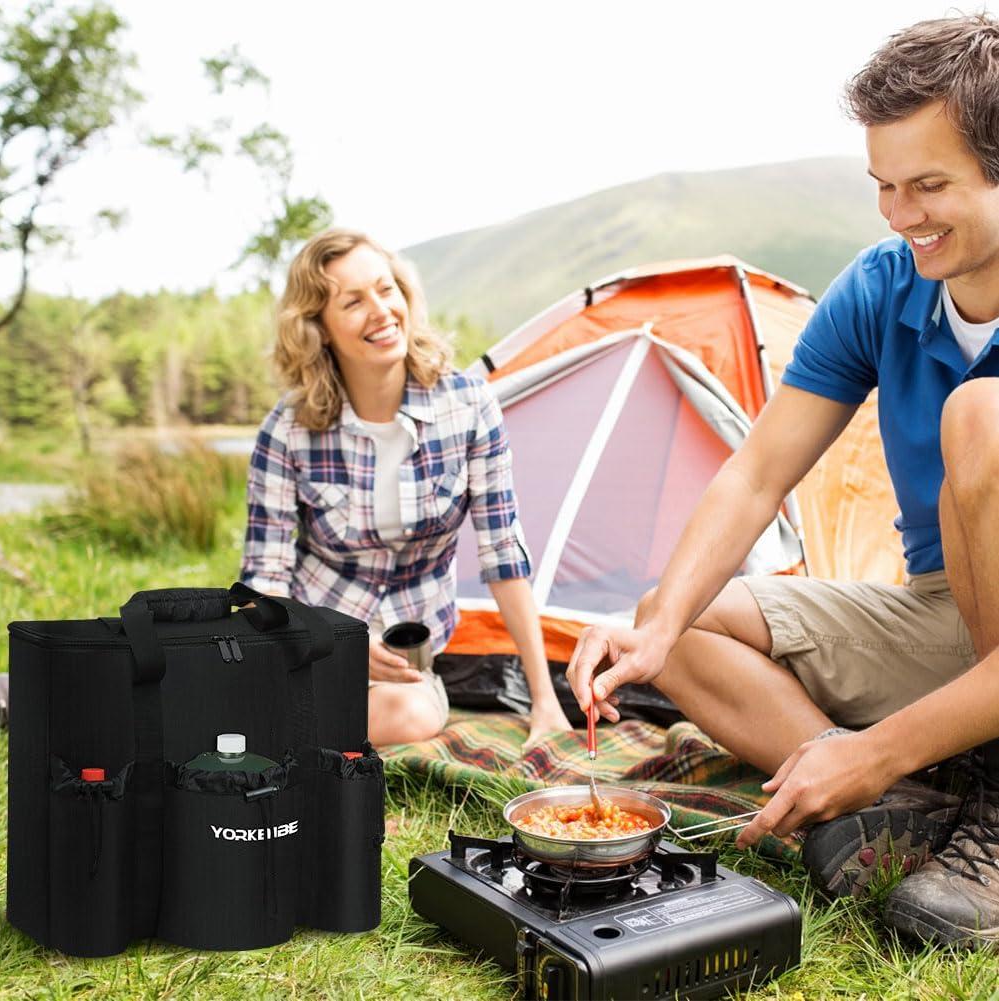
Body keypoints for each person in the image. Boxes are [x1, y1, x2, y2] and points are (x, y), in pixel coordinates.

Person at [566, 14, 999, 947]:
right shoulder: (882, 285)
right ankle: (893, 805)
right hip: (946, 609)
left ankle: (974, 802)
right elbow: (756, 474)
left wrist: (870, 744)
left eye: (928, 185)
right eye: (882, 185)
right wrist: (657, 631)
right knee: (670, 619)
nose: (899, 215)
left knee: (982, 415)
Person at [241, 228, 572, 748]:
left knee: (412, 715)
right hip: (310, 651)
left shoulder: (469, 406)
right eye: (353, 302)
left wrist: (544, 700)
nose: (381, 311)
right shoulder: (287, 431)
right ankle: (278, 720)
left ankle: (274, 730)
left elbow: (504, 556)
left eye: (385, 289)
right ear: (319, 328)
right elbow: (264, 582)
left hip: (405, 674)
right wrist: (332, 642)